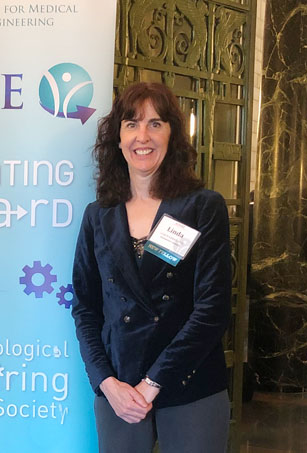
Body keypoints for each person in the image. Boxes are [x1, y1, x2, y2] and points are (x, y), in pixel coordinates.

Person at [71, 82, 232, 453]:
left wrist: (153, 382)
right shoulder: (98, 216)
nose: (143, 136)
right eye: (132, 124)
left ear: (172, 135)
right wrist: (106, 383)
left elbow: (212, 308)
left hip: (190, 384)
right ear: (118, 138)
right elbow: (85, 308)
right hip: (119, 392)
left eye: (156, 124)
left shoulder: (202, 207)